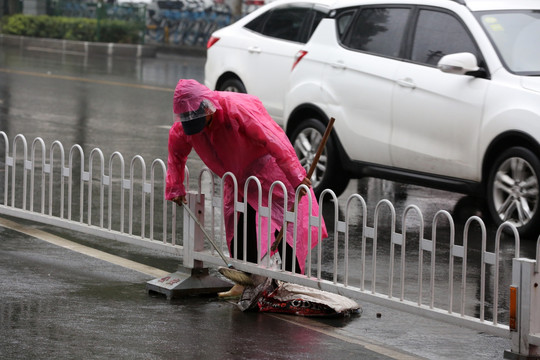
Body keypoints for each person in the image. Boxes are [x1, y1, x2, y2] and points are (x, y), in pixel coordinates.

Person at [165, 79, 328, 297]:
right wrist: (175, 186)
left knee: (285, 225)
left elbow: (274, 139)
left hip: (268, 172)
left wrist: (296, 176)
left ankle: (292, 282)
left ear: (207, 107)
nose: (198, 127)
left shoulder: (236, 109)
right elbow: (176, 152)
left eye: (201, 120)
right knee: (241, 226)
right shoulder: (189, 124)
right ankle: (245, 281)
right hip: (238, 179)